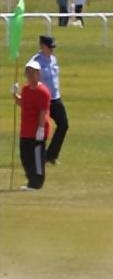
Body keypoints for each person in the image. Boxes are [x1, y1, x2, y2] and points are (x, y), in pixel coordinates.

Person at [13, 60, 51, 190]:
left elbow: (42, 112)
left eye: (32, 72)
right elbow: (23, 103)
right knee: (25, 156)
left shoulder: (43, 92)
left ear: (38, 74)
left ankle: (37, 183)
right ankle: (31, 181)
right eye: (28, 72)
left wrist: (40, 129)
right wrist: (15, 95)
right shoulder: (25, 89)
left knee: (37, 158)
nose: (29, 75)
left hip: (38, 130)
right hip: (26, 130)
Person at [30, 35, 67, 165]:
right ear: (42, 46)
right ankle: (36, 155)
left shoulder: (53, 59)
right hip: (42, 100)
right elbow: (31, 80)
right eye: (50, 47)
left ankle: (51, 155)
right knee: (41, 128)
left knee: (63, 125)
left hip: (55, 98)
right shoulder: (36, 62)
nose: (52, 50)